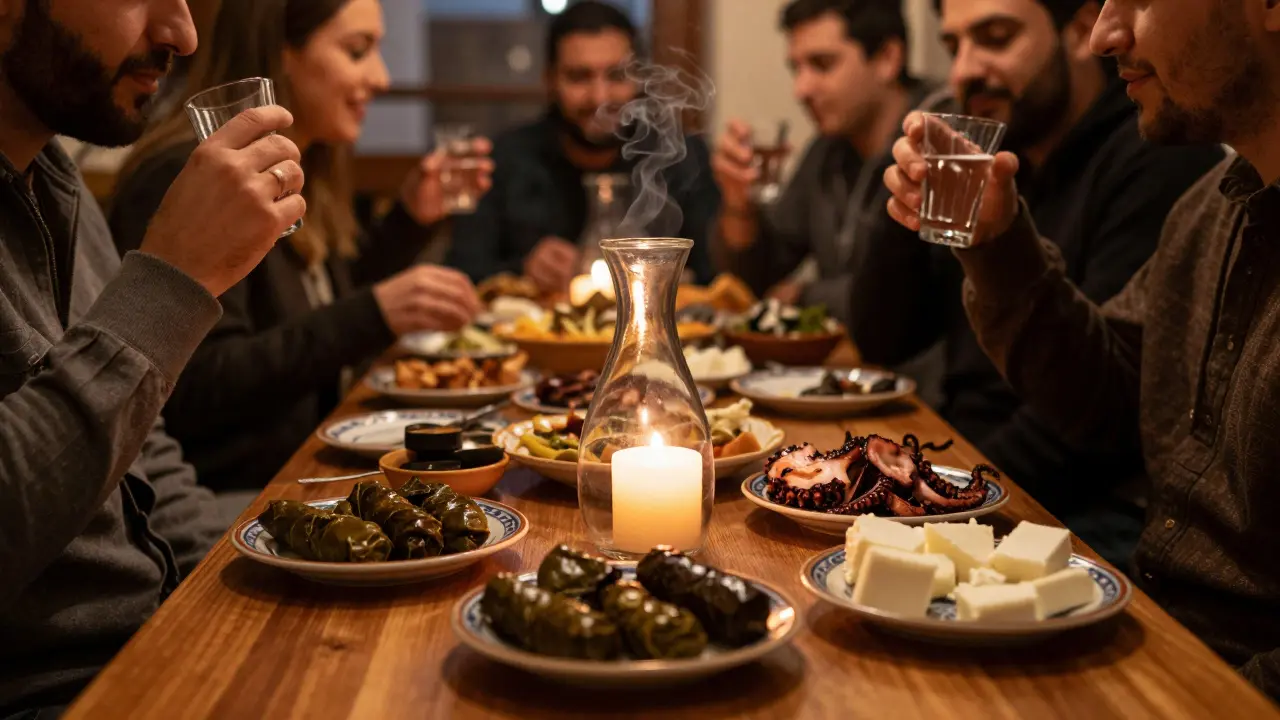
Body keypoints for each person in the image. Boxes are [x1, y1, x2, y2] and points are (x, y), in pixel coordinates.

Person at [883, 0, 1280, 698]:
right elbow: (1111, 400)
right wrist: (995, 244)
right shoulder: (1210, 209)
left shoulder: (1155, 175)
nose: (1102, 36)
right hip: (1149, 629)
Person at [0, 0, 306, 715]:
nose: (184, 34)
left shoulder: (57, 181)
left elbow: (145, 454)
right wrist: (172, 282)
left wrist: (232, 593)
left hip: (160, 645)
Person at [853, 0, 1222, 568]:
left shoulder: (1156, 153)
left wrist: (938, 495)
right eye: (953, 47)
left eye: (996, 37)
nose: (964, 70)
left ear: (1079, 30)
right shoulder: (995, 146)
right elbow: (884, 338)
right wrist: (904, 192)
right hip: (966, 460)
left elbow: (1098, 424)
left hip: (1074, 507)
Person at [109, 0, 492, 504]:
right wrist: (373, 313)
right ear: (281, 53)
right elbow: (192, 388)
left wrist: (408, 221)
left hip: (307, 471)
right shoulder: (192, 179)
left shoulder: (305, 165)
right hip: (236, 497)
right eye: (357, 51)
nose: (380, 78)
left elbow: (313, 312)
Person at [446, 0, 720, 293]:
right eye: (579, 77)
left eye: (616, 76)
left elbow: (714, 275)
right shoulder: (504, 160)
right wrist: (521, 269)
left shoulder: (681, 158)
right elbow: (462, 271)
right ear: (550, 80)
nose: (599, 98)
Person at [713, 0, 936, 322]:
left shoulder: (938, 140)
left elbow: (924, 300)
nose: (801, 89)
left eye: (822, 64)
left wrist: (804, 296)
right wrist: (739, 208)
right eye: (796, 69)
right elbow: (757, 278)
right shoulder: (827, 150)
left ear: (887, 58)